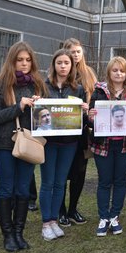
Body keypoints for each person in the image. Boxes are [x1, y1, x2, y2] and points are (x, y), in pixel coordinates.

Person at [0, 42, 47, 252]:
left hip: (29, 144)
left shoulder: (38, 84)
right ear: (12, 61)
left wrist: (41, 106)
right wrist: (18, 107)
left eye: (27, 60)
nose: (24, 64)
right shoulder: (2, 84)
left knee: (23, 188)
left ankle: (19, 233)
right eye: (20, 60)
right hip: (5, 145)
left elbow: (45, 119)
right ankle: (8, 235)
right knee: (6, 188)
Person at [87, 57, 126, 236]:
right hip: (103, 144)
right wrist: (91, 116)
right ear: (109, 72)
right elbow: (91, 118)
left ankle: (114, 216)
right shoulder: (99, 91)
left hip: (125, 145)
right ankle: (103, 217)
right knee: (104, 181)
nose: (119, 73)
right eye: (115, 70)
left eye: (122, 71)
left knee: (119, 181)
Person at [40, 49, 88, 241]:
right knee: (48, 182)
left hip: (69, 143)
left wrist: (85, 111)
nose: (63, 66)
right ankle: (46, 222)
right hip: (49, 143)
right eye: (59, 63)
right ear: (54, 65)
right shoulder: (43, 86)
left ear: (72, 66)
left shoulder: (78, 88)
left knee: (60, 183)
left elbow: (81, 119)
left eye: (66, 63)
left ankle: (54, 221)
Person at [59, 38, 97, 226]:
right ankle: (61, 210)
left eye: (78, 51)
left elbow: (96, 97)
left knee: (79, 172)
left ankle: (73, 208)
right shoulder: (61, 73)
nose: (75, 55)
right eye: (71, 51)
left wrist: (90, 111)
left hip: (82, 129)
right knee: (60, 173)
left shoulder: (88, 74)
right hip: (62, 130)